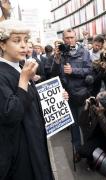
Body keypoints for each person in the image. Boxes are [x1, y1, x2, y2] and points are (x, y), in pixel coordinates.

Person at [0, 19, 55, 180]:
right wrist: (24, 79)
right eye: (17, 41)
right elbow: (11, 114)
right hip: (20, 152)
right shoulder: (3, 73)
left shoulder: (20, 66)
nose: (24, 45)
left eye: (25, 40)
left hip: (34, 142)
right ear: (2, 45)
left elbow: (29, 102)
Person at [51, 28, 92, 162]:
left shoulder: (84, 52)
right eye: (67, 38)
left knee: (84, 124)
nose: (69, 40)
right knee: (73, 125)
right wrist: (56, 59)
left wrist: (73, 70)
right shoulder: (60, 54)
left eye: (72, 37)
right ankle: (77, 151)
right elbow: (53, 74)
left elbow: (90, 70)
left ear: (76, 38)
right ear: (63, 39)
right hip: (67, 95)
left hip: (81, 94)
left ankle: (88, 152)